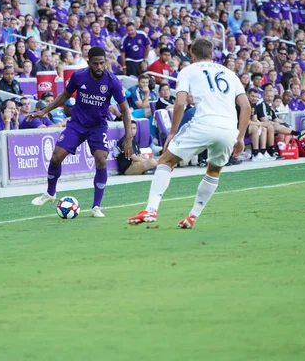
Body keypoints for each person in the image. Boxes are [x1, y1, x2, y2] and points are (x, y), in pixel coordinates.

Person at [127, 38, 251, 228]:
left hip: (204, 123)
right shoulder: (230, 73)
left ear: (192, 55)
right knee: (214, 171)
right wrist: (240, 137)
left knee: (166, 161)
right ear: (212, 54)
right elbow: (246, 106)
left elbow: (180, 103)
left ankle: (151, 209)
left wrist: (172, 133)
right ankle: (193, 215)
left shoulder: (188, 71)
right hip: (228, 128)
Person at [29, 47, 133, 218]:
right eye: (95, 63)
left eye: (102, 63)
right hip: (77, 124)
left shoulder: (112, 81)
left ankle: (96, 206)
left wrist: (128, 137)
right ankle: (49, 193)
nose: (99, 67)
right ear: (88, 62)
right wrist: (45, 111)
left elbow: (125, 109)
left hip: (97, 126)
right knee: (56, 157)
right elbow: (64, 96)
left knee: (101, 160)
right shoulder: (78, 76)